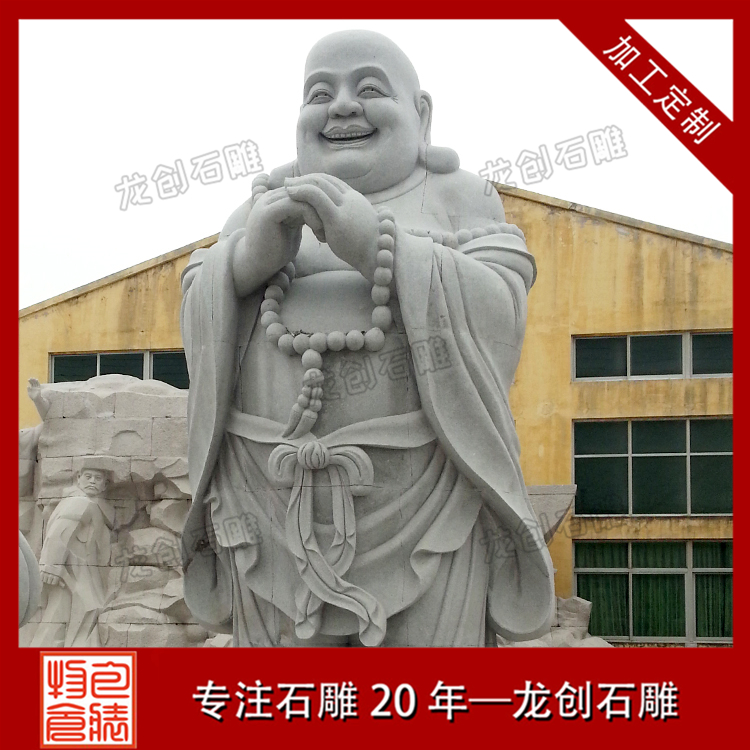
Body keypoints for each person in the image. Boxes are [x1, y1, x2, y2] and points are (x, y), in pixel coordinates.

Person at [180, 30, 555, 646]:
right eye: (319, 93)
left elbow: (501, 310)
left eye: (370, 88)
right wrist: (246, 262)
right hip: (268, 498)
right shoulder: (259, 210)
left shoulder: (458, 197)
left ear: (422, 115)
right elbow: (197, 306)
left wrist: (378, 246)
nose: (342, 105)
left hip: (426, 500)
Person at [31, 467, 114, 647]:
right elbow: (59, 532)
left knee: (67, 614)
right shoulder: (80, 502)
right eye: (88, 476)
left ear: (105, 484)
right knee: (76, 611)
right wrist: (51, 566)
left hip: (81, 569)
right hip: (72, 572)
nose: (92, 481)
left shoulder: (83, 502)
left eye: (98, 478)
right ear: (78, 478)